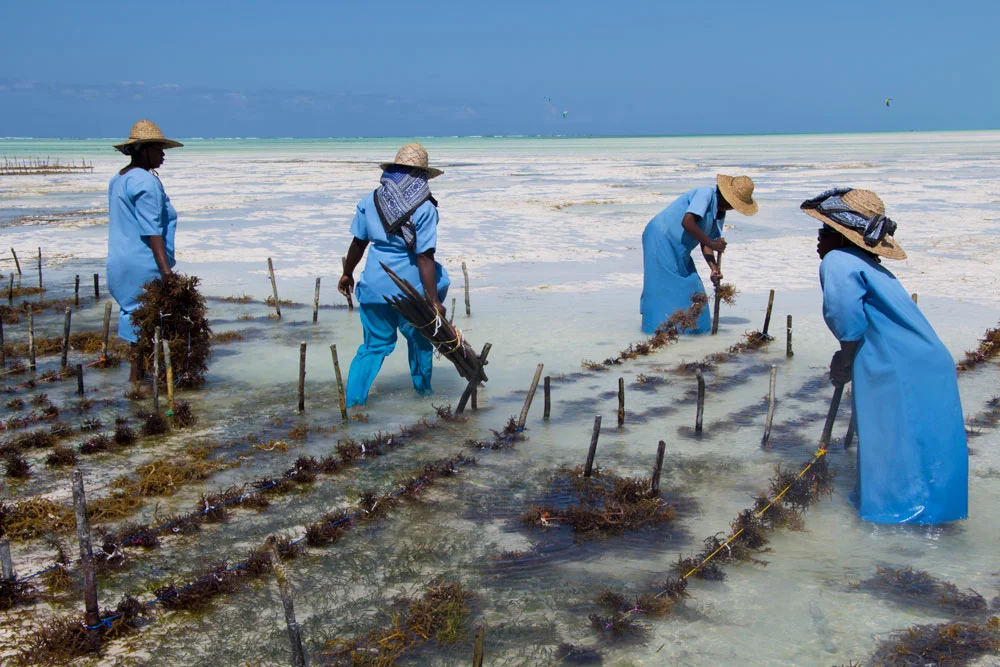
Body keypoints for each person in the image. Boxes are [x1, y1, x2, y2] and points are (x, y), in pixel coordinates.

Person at [803, 187, 968, 524]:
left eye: (823, 232)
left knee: (890, 443)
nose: (818, 241)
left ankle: (894, 519)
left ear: (840, 235)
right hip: (927, 360)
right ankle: (936, 517)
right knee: (922, 444)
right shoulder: (868, 264)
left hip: (897, 364)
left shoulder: (837, 260)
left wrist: (844, 358)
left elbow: (846, 315)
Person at [338, 143, 450, 406]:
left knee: (373, 348)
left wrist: (347, 274)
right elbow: (424, 256)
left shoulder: (371, 200)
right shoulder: (425, 208)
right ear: (422, 175)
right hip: (411, 292)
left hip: (375, 287)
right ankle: (424, 398)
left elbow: (358, 243)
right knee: (421, 341)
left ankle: (353, 404)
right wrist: (434, 301)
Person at [107, 120, 183, 383]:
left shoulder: (119, 179)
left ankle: (136, 380)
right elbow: (152, 230)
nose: (163, 154)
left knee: (135, 317)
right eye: (159, 149)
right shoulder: (145, 183)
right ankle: (138, 381)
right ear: (143, 150)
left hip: (118, 262)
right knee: (149, 322)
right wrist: (165, 272)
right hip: (143, 262)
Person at [640, 174, 758, 334]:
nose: (731, 208)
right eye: (732, 203)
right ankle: (655, 330)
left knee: (694, 289)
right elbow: (687, 222)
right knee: (661, 288)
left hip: (681, 248)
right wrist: (712, 243)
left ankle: (691, 333)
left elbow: (707, 243)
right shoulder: (705, 194)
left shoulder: (720, 213)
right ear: (725, 194)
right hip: (660, 237)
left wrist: (714, 268)